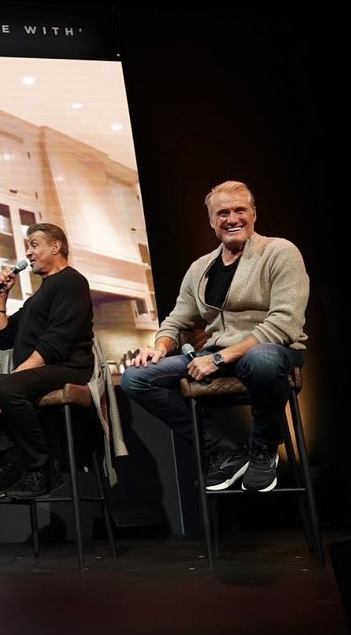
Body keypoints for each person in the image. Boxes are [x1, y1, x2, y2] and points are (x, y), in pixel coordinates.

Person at [119, 180, 309, 493]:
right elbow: (178, 319)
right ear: (211, 221)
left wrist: (220, 357)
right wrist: (160, 347)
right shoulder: (200, 268)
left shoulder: (279, 252)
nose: (232, 218)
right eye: (223, 213)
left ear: (253, 214)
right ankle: (224, 450)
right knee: (135, 378)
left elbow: (284, 323)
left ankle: (263, 448)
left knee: (260, 360)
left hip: (273, 350)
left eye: (239, 210)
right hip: (219, 356)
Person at [0, 222, 95, 499]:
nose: (28, 252)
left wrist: (16, 376)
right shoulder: (39, 296)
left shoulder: (71, 281)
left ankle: (41, 468)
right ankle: (10, 456)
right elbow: (1, 338)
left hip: (66, 368)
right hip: (38, 371)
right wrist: (2, 297)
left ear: (56, 246)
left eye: (34, 244)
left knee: (7, 388)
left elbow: (57, 341)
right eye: (28, 246)